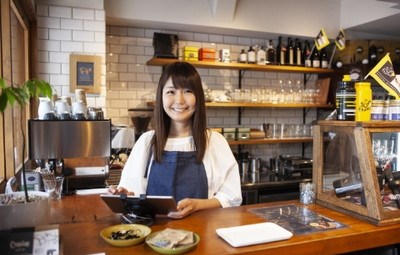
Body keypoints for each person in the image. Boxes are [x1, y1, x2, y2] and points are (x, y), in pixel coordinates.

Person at [110, 61, 242, 218]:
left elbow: (231, 196)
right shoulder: (147, 142)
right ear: (161, 97)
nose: (179, 100)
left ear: (198, 97)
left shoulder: (214, 141)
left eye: (187, 91)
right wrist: (125, 195)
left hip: (204, 234)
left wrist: (197, 205)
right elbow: (133, 192)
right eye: (171, 92)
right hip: (155, 236)